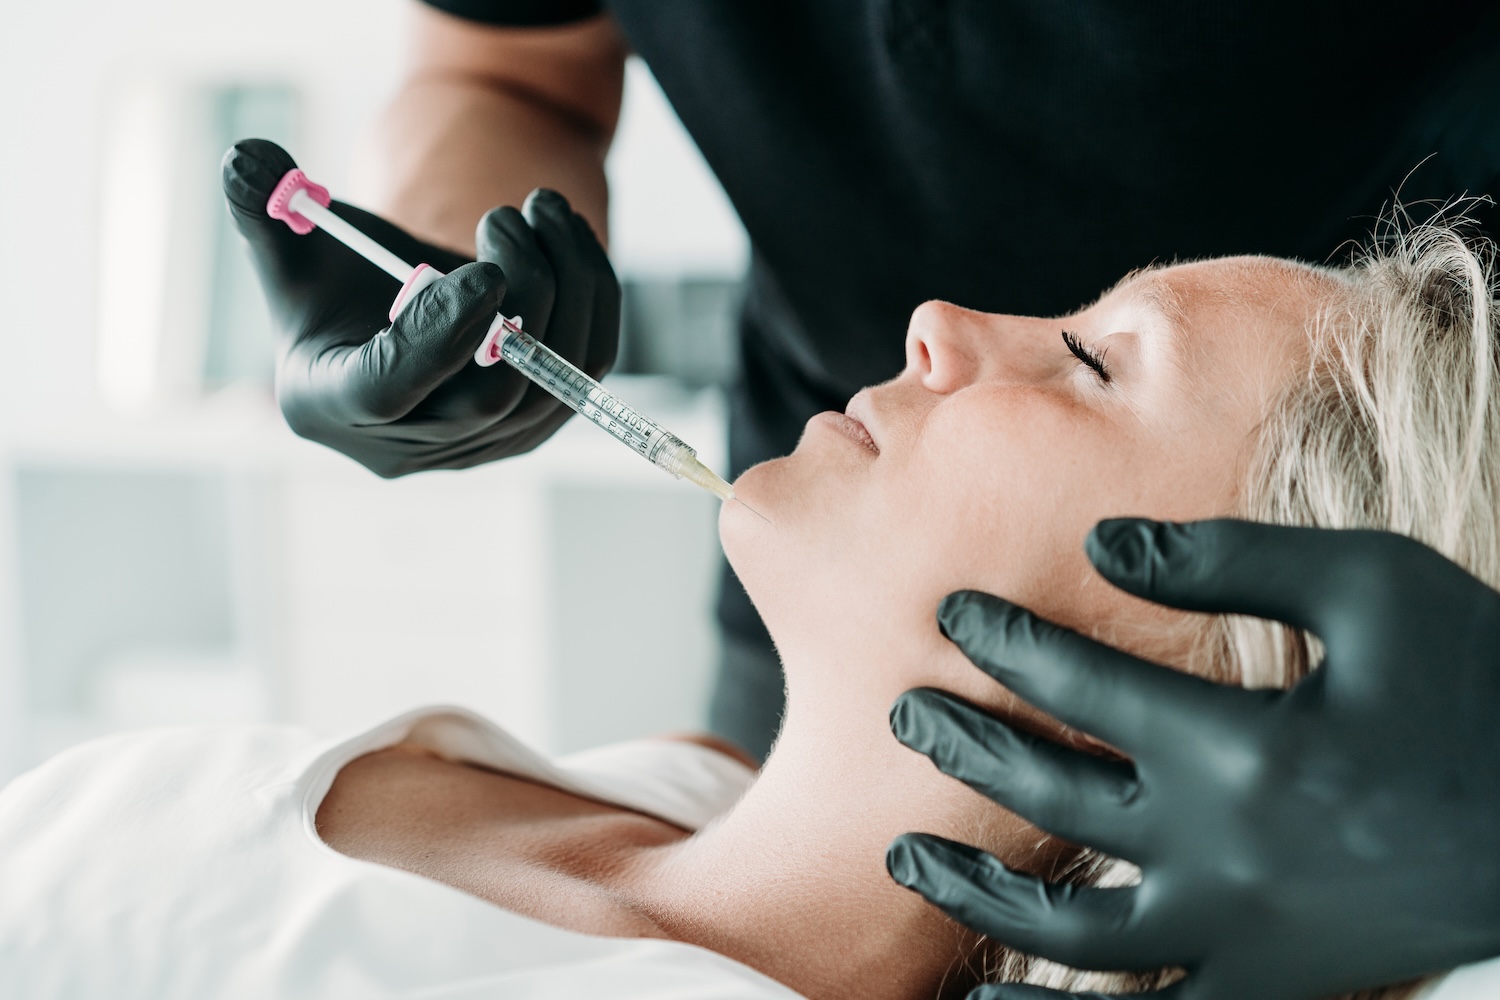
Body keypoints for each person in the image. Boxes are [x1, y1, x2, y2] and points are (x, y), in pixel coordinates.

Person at [5, 212, 1495, 997]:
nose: (941, 320)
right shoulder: (671, 793)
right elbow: (506, 51)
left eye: (1094, 362)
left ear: (1226, 687)